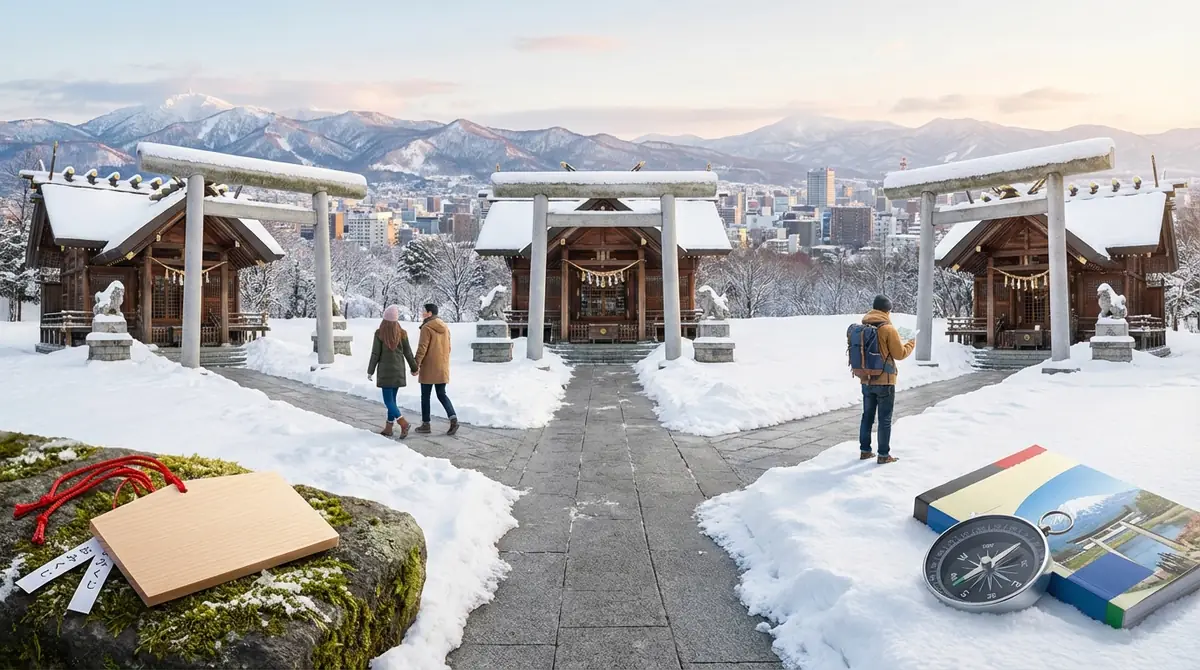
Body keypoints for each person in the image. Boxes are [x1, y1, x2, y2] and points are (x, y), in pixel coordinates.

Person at [859, 294, 915, 464]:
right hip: (885, 380)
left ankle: (865, 451)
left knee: (867, 415)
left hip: (866, 378)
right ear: (887, 311)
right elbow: (900, 354)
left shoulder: (861, 326)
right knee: (884, 418)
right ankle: (883, 455)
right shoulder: (888, 329)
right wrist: (911, 342)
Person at [367, 305, 418, 439]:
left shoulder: (380, 333)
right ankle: (389, 428)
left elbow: (375, 354)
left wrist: (370, 371)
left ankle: (403, 423)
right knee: (392, 401)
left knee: (388, 401)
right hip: (398, 371)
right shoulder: (402, 333)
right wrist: (414, 367)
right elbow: (408, 352)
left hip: (385, 372)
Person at [414, 302, 458, 435]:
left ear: (430, 313)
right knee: (441, 394)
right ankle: (453, 419)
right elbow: (448, 348)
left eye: (424, 311)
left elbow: (422, 348)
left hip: (428, 367)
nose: (422, 313)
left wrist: (416, 364)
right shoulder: (445, 327)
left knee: (425, 396)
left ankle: (426, 424)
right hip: (442, 366)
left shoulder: (426, 328)